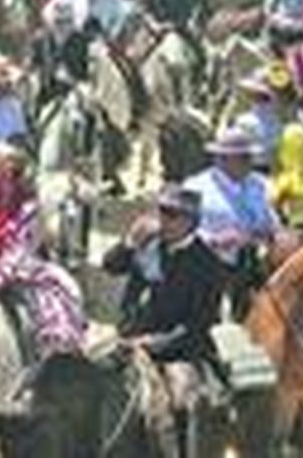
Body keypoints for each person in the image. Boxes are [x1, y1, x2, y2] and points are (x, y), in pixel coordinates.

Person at [102, 185, 227, 454]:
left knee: (183, 402)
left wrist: (154, 344)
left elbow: (199, 326)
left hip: (176, 350)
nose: (164, 221)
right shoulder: (147, 244)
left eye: (173, 215)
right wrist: (129, 243)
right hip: (127, 340)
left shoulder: (208, 266)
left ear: (191, 221)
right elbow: (110, 265)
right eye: (162, 212)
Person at [0, 144, 88, 359]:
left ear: (8, 172)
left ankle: (34, 362)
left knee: (36, 321)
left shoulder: (29, 209)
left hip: (17, 275)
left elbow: (19, 254)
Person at [184, 120, 279, 313]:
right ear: (221, 160)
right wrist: (213, 239)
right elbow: (180, 232)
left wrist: (266, 231)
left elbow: (272, 221)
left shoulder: (260, 185)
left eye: (249, 157)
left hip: (253, 267)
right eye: (243, 158)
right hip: (209, 267)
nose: (249, 163)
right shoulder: (196, 188)